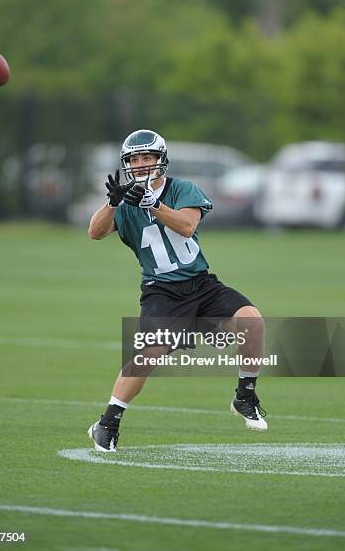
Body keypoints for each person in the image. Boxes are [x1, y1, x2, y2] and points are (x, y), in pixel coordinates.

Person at [87, 129, 267, 452]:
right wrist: (112, 203)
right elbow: (94, 233)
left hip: (201, 284)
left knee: (252, 322)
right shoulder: (125, 201)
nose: (141, 165)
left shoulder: (182, 189)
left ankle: (245, 395)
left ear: (161, 160)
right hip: (162, 291)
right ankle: (107, 423)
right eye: (135, 159)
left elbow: (186, 226)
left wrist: (153, 203)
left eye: (147, 158)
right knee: (149, 354)